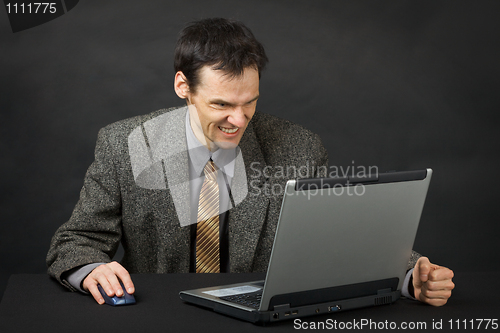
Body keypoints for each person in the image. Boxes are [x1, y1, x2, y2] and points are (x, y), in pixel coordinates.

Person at [46, 18, 454, 307]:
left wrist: (410, 276)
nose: (239, 120)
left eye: (250, 102)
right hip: (159, 316)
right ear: (182, 86)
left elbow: (340, 237)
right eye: (221, 104)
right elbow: (76, 241)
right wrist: (91, 270)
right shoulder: (123, 145)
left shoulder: (301, 148)